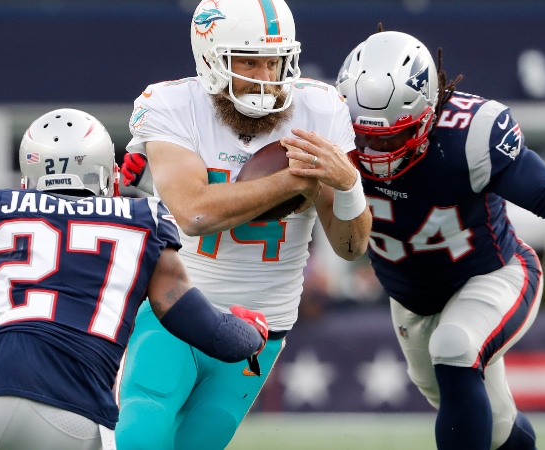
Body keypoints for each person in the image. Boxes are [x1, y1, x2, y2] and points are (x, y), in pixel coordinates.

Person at [0, 108, 269, 450]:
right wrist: (250, 330)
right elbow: (210, 331)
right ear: (108, 175)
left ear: (28, 180)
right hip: (79, 423)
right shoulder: (144, 223)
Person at [335, 29, 545, 450]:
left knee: (455, 347)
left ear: (428, 114)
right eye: (364, 135)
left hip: (492, 274)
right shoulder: (327, 130)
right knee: (498, 427)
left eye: (392, 136)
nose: (375, 150)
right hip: (410, 299)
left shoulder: (470, 134)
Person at [114, 0, 372, 448]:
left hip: (262, 326)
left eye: (273, 62)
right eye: (248, 62)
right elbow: (194, 213)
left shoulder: (321, 109)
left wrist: (348, 184)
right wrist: (293, 180)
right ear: (211, 60)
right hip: (175, 307)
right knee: (142, 433)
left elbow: (351, 247)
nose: (265, 78)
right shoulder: (176, 105)